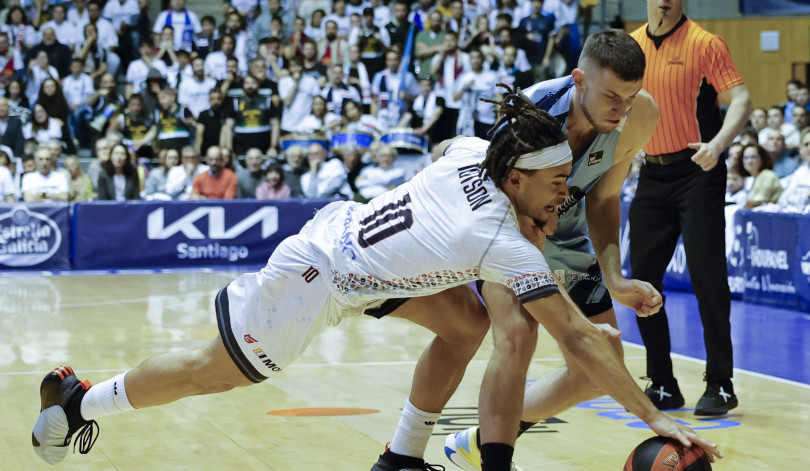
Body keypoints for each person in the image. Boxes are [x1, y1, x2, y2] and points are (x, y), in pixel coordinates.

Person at [31, 90, 721, 470]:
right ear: (513, 178)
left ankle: (401, 456)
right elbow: (577, 338)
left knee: (465, 322)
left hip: (360, 249)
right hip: (317, 275)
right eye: (552, 185)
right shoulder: (499, 241)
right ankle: (81, 401)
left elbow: (448, 154)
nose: (563, 196)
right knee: (211, 371)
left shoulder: (473, 153)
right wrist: (655, 415)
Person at [439, 29, 664, 469]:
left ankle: (485, 438)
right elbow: (500, 205)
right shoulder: (531, 116)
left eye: (630, 96)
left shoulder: (641, 115)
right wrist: (563, 310)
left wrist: (614, 277)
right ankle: (493, 460)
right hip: (508, 229)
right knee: (518, 336)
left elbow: (603, 198)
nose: (622, 110)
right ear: (579, 80)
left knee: (603, 368)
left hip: (569, 231)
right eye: (611, 97)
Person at [625, 0, 751, 416]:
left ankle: (721, 382)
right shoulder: (631, 46)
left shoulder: (704, 43)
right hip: (652, 173)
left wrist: (718, 145)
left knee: (707, 277)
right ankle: (662, 382)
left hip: (699, 170)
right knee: (641, 283)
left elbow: (741, 99)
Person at [740, 143, 782, 208]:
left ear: (762, 159)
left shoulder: (767, 175)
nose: (749, 161)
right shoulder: (753, 179)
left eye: (753, 157)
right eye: (746, 157)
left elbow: (758, 202)